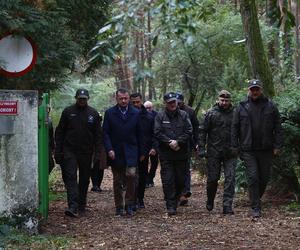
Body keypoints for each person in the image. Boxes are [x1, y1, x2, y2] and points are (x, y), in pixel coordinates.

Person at [231, 79, 282, 218]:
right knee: (253, 177)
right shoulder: (241, 106)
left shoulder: (270, 106)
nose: (254, 92)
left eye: (257, 89)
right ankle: (255, 207)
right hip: (248, 149)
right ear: (249, 90)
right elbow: (234, 127)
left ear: (261, 90)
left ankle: (255, 198)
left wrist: (277, 145)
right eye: (252, 89)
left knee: (264, 178)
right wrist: (234, 146)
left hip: (266, 149)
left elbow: (278, 127)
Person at [54, 88, 102, 217]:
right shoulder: (68, 112)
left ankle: (81, 203)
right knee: (70, 177)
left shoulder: (93, 113)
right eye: (80, 98)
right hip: (69, 151)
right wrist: (58, 151)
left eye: (84, 99)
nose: (82, 101)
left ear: (87, 99)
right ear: (76, 98)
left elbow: (98, 135)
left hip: (86, 152)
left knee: (85, 179)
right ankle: (73, 206)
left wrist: (97, 153)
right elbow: (60, 132)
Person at [103, 88, 143, 216]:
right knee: (118, 180)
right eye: (121, 98)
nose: (124, 101)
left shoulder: (136, 113)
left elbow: (140, 134)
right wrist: (109, 149)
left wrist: (142, 152)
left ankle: (129, 204)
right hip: (116, 151)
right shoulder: (109, 113)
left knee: (131, 176)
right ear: (117, 99)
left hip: (132, 150)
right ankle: (119, 206)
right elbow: (105, 133)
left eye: (126, 98)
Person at [198, 90, 237, 215]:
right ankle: (210, 199)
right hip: (214, 152)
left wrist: (239, 146)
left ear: (230, 101)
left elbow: (241, 131)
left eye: (226, 100)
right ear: (218, 100)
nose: (224, 103)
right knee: (213, 179)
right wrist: (202, 148)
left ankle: (227, 205)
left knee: (230, 178)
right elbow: (202, 131)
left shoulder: (235, 114)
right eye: (222, 100)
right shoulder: (211, 113)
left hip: (230, 152)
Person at [154, 92, 192, 216]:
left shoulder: (184, 115)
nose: (172, 104)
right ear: (166, 103)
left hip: (181, 154)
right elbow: (157, 132)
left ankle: (176, 198)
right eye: (170, 102)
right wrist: (169, 142)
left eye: (174, 102)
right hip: (166, 154)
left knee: (181, 180)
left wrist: (178, 142)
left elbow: (189, 130)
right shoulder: (160, 116)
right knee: (168, 180)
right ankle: (170, 205)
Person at [130, 93, 157, 209]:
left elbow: (154, 134)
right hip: (130, 150)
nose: (136, 104)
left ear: (141, 101)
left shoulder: (149, 117)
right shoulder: (127, 115)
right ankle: (131, 199)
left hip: (144, 151)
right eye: (133, 102)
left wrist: (153, 147)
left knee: (142, 176)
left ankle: (140, 198)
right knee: (130, 176)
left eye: (138, 102)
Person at [176, 93, 199, 205]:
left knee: (185, 169)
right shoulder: (168, 111)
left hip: (187, 145)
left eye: (179, 102)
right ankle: (177, 193)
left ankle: (184, 193)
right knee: (175, 170)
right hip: (172, 145)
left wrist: (197, 143)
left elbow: (195, 128)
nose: (177, 104)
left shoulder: (190, 111)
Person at [144, 100, 159, 188]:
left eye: (150, 108)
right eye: (147, 108)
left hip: (154, 142)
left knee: (154, 163)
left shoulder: (156, 115)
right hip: (145, 143)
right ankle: (145, 179)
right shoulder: (142, 115)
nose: (148, 109)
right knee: (145, 163)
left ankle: (150, 178)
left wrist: (155, 146)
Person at [91, 113, 105, 193]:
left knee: (101, 167)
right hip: (92, 149)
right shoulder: (91, 127)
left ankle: (98, 185)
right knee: (93, 167)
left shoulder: (103, 128)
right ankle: (95, 184)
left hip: (102, 149)